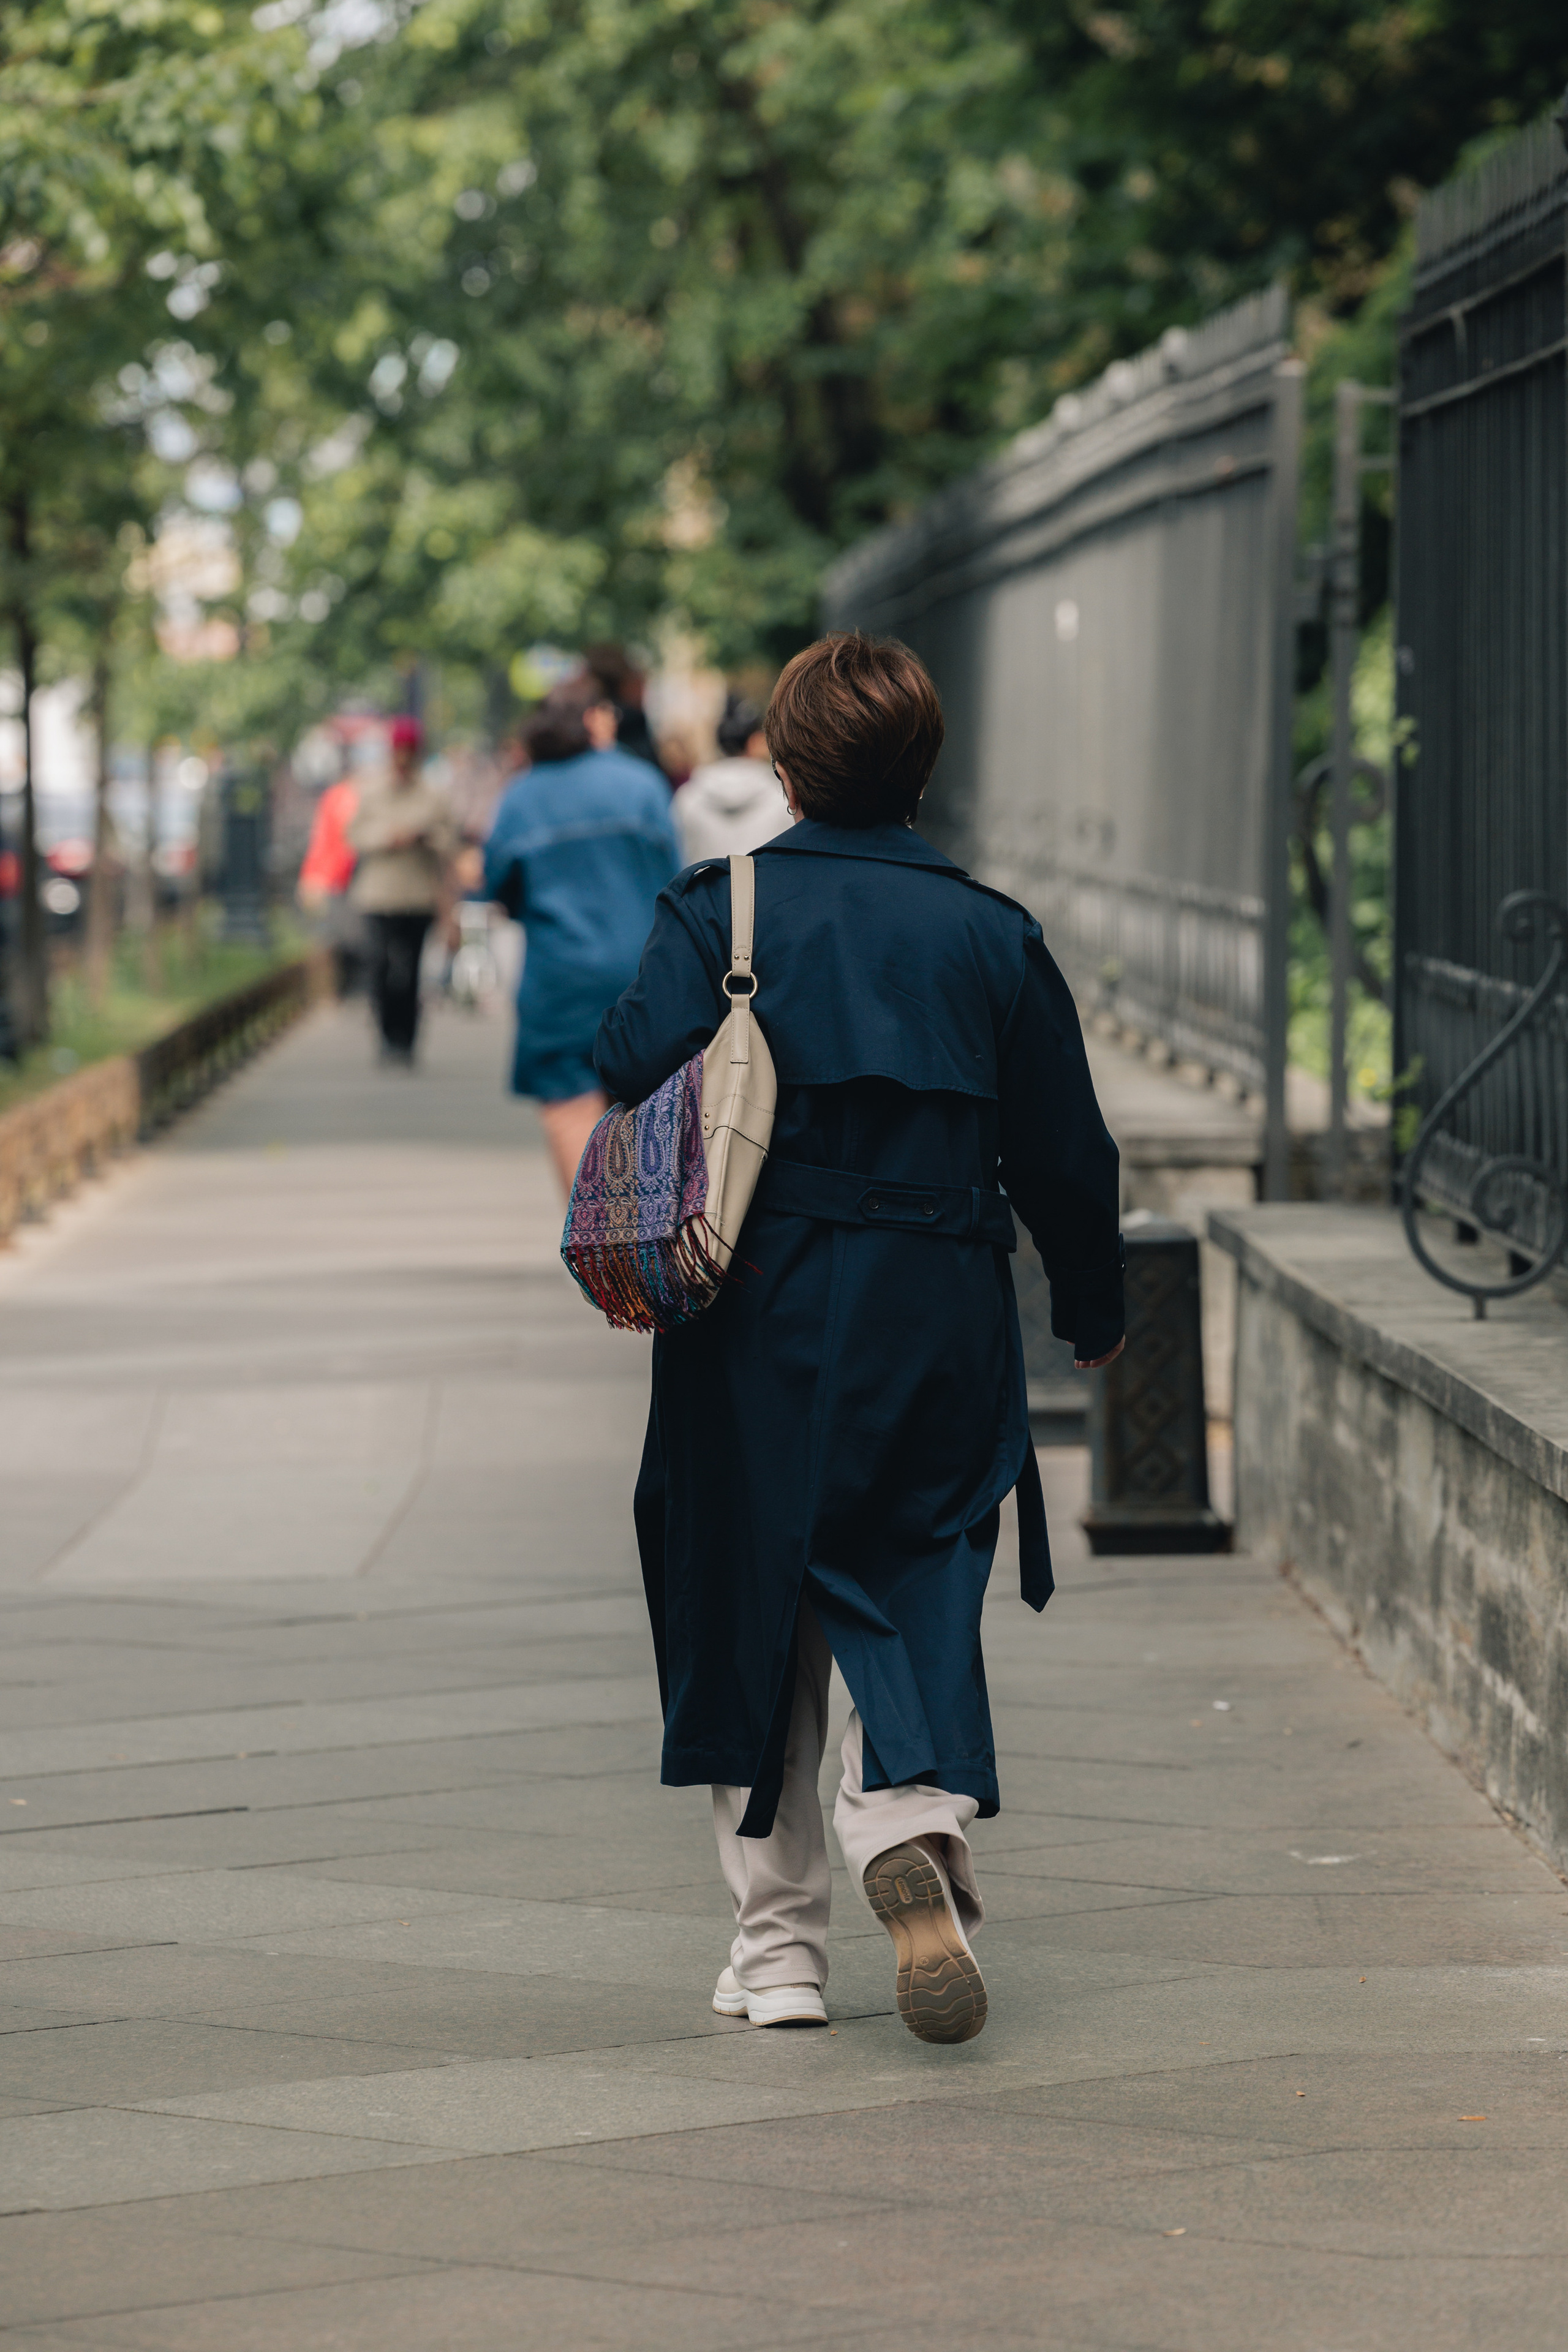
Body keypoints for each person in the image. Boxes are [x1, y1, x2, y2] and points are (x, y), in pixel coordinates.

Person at [595, 633, 1124, 2045]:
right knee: (917, 1563)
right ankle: (908, 1818)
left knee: (749, 1590)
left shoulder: (723, 909)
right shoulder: (989, 933)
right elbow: (1066, 1156)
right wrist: (1091, 1304)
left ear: (779, 760)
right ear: (922, 768)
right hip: (937, 1304)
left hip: (753, 1304)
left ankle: (776, 1954)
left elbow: (626, 1061)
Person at [484, 676, 680, 1196]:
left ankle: (597, 1258)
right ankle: (640, 1247)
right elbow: (675, 882)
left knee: (570, 1111)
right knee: (643, 1114)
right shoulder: (642, 785)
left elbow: (496, 889)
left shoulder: (521, 797)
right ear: (594, 718)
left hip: (559, 981)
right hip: (644, 976)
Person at [347, 716, 458, 1066]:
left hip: (418, 897)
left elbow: (450, 842)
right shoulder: (372, 792)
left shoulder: (433, 795)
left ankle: (406, 1040)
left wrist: (424, 837)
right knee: (379, 967)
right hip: (379, 896)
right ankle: (384, 1036)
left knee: (410, 971)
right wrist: (387, 837)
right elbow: (353, 835)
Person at [670, 692, 788, 862]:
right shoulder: (781, 797)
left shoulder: (688, 797)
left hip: (705, 888)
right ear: (754, 741)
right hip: (769, 888)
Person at [296, 767, 363, 997]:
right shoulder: (345, 797)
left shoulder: (336, 796)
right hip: (339, 878)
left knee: (336, 935)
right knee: (341, 935)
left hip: (335, 877)